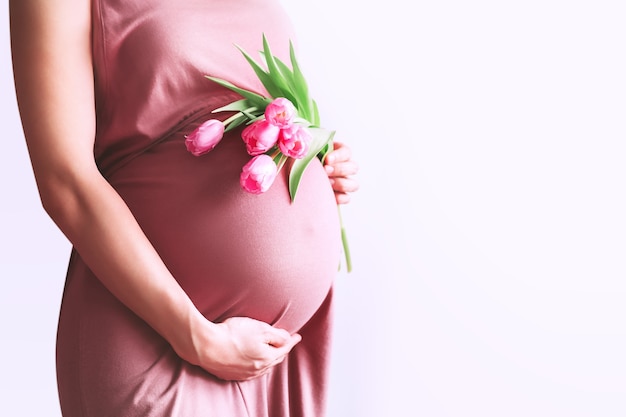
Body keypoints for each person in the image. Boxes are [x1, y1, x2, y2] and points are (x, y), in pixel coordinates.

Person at [9, 0, 359, 416]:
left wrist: (315, 161)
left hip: (274, 358)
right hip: (156, 333)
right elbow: (64, 181)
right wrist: (196, 338)